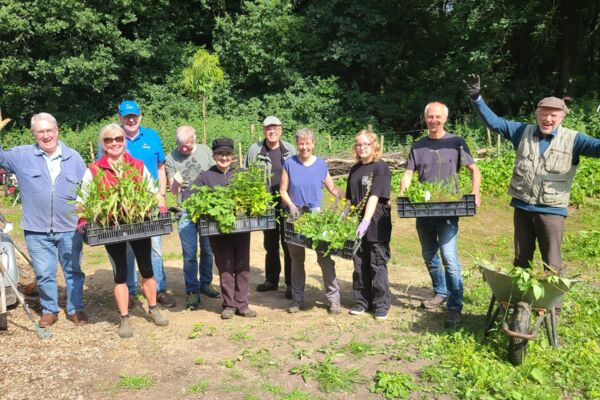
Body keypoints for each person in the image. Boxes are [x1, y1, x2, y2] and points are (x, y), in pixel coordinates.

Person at [467, 74, 600, 274]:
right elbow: (494, 123)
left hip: (552, 211)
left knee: (553, 265)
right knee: (521, 261)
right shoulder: (521, 132)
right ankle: (522, 303)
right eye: (544, 114)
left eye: (553, 115)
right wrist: (477, 98)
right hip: (522, 208)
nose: (548, 119)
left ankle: (551, 306)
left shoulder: (574, 139)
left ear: (562, 117)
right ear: (536, 115)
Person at [79, 124, 168, 338]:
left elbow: (152, 191)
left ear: (124, 141)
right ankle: (125, 317)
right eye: (109, 140)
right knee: (120, 273)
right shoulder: (94, 169)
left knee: (146, 268)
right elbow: (83, 199)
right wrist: (82, 220)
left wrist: (161, 207)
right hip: (112, 229)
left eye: (118, 138)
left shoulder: (136, 165)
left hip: (139, 223)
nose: (114, 143)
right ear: (103, 144)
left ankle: (153, 308)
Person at [0, 113, 87, 327]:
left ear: (57, 130)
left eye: (49, 130)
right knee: (44, 272)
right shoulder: (22, 155)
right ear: (34, 134)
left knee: (73, 270)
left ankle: (76, 308)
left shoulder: (74, 157)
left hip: (69, 227)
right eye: (40, 131)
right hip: (36, 228)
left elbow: (87, 188)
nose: (46, 135)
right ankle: (50, 310)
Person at [400, 102, 481, 327]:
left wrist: (475, 191)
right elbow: (407, 174)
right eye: (430, 116)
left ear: (444, 119)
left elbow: (474, 169)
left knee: (449, 256)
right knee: (429, 254)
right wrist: (404, 193)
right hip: (423, 210)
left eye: (438, 116)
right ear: (425, 119)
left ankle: (455, 305)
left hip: (448, 209)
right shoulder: (417, 146)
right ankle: (440, 291)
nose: (433, 120)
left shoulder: (456, 142)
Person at [113, 100, 175, 308]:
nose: (131, 119)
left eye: (134, 116)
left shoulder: (152, 136)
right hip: (124, 205)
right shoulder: (114, 138)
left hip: (151, 202)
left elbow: (160, 168)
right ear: (120, 118)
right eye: (126, 116)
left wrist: (162, 195)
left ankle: (159, 288)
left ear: (140, 117)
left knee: (155, 247)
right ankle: (130, 291)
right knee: (129, 248)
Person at [188, 138, 256, 319]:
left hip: (241, 228)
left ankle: (243, 304)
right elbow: (190, 195)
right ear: (214, 156)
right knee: (225, 267)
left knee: (242, 266)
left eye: (227, 154)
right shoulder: (205, 176)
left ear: (233, 156)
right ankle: (229, 304)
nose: (224, 157)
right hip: (217, 230)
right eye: (220, 154)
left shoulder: (242, 174)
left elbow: (259, 189)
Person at [279, 128, 345, 314]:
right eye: (301, 143)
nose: (304, 147)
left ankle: (334, 300)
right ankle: (297, 300)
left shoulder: (321, 165)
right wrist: (291, 205)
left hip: (317, 218)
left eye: (308, 143)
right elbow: (283, 189)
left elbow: (332, 188)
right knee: (297, 260)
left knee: (324, 258)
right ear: (297, 144)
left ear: (313, 144)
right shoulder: (289, 163)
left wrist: (348, 195)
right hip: (295, 217)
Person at [166, 125, 220, 309]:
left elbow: (216, 175)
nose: (183, 149)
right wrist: (175, 184)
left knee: (208, 249)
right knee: (189, 254)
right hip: (186, 210)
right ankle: (192, 290)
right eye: (180, 145)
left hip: (207, 208)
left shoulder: (206, 152)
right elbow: (172, 191)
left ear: (194, 139)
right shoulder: (171, 157)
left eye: (187, 146)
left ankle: (206, 283)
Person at [245, 116, 296, 298]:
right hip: (265, 204)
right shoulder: (255, 150)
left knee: (289, 242)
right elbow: (248, 176)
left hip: (287, 202)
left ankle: (291, 283)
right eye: (268, 128)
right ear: (264, 130)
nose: (271, 131)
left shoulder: (289, 149)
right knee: (270, 243)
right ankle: (272, 280)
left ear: (281, 130)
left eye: (275, 128)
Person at [346, 130, 393, 321]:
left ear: (374, 145)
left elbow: (374, 196)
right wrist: (344, 219)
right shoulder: (355, 169)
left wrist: (365, 221)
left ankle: (381, 305)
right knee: (359, 262)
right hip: (357, 223)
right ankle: (362, 301)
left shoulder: (380, 168)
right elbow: (350, 199)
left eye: (365, 144)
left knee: (377, 263)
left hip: (376, 223)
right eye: (358, 144)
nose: (361, 148)